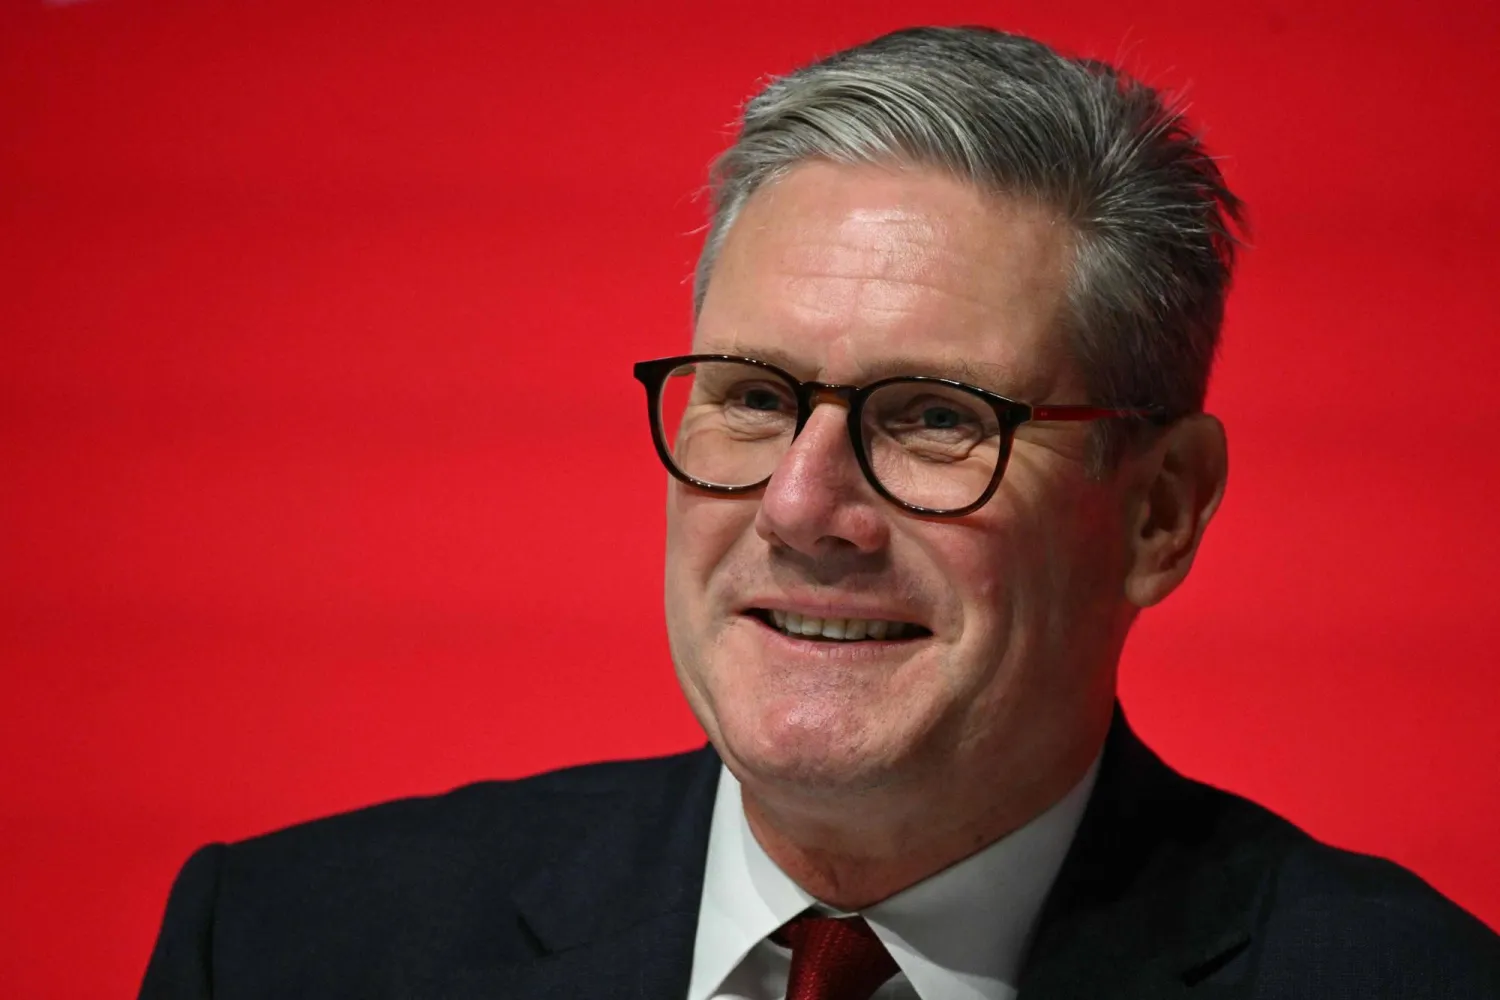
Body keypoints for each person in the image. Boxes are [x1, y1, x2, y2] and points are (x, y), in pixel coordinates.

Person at [139, 25, 1500, 1000]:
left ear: (1160, 510)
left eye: (933, 418)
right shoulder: (284, 945)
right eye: (750, 399)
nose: (801, 506)